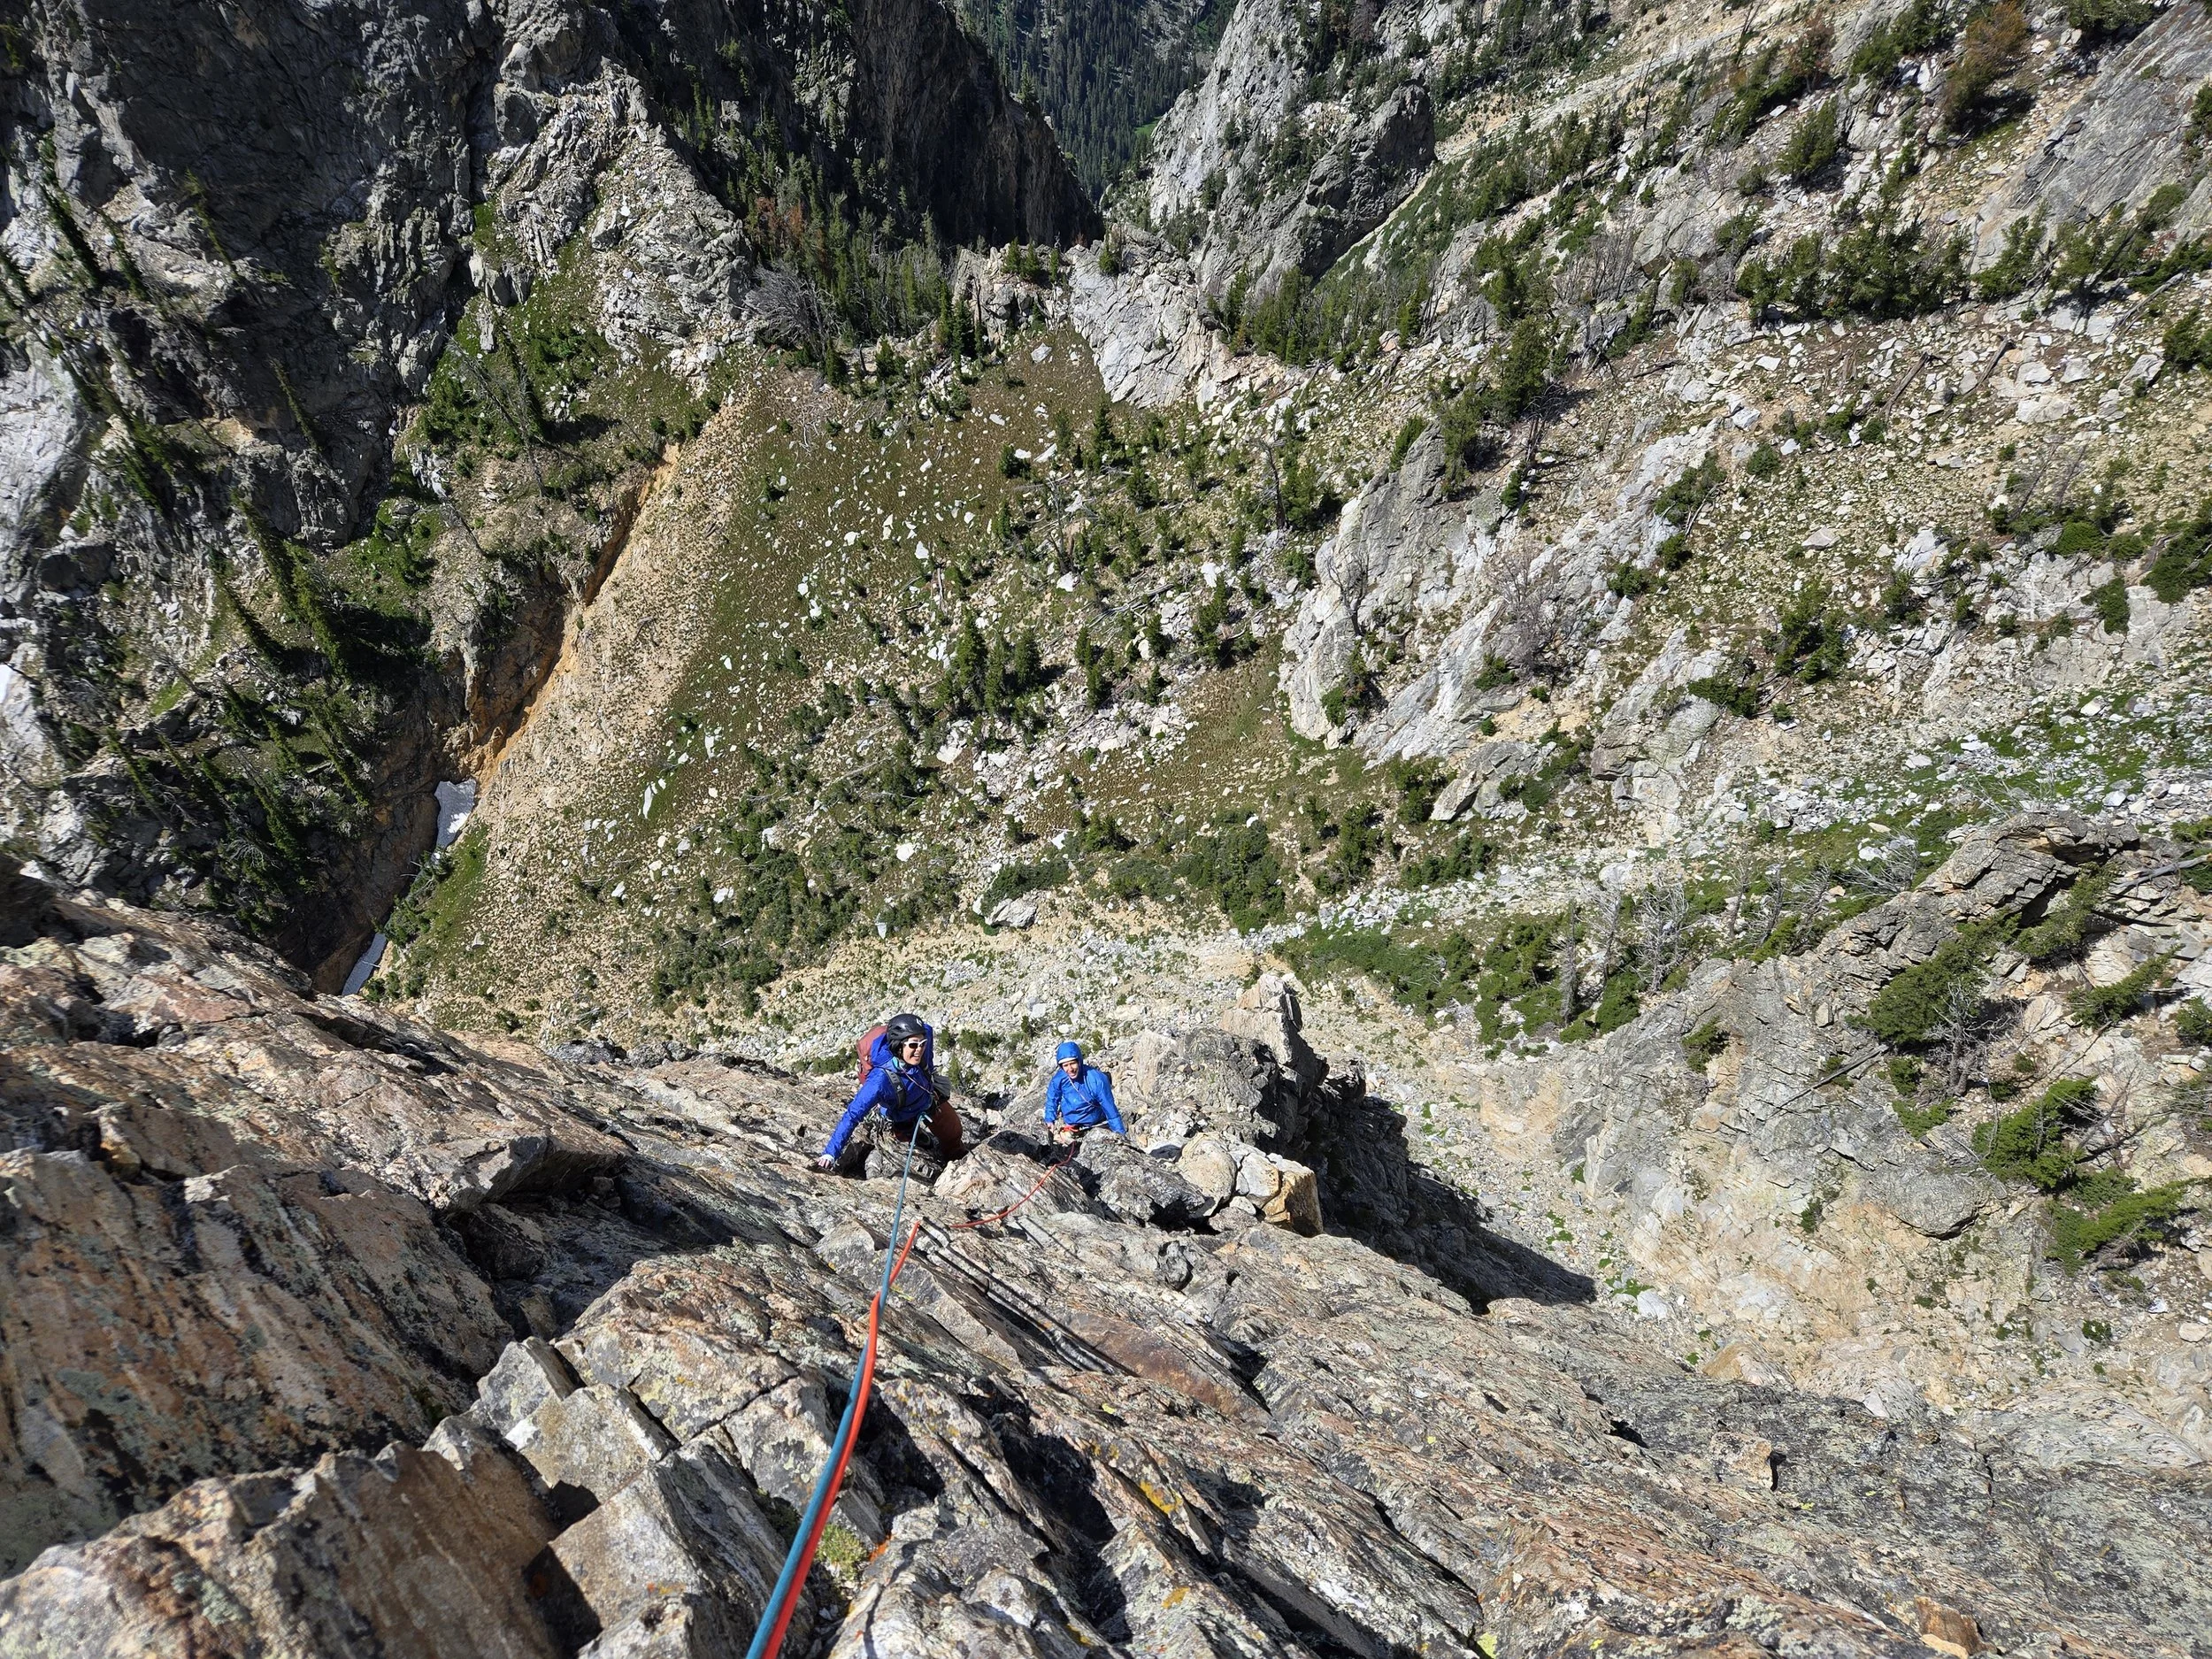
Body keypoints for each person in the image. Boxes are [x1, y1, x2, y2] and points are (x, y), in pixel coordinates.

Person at [815, 1012, 964, 1173]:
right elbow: (852, 1115)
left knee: (954, 1132)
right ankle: (909, 1130)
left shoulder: (923, 1037)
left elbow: (926, 1031)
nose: (919, 1049)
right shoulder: (879, 1081)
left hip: (928, 1098)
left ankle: (955, 1156)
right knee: (908, 1132)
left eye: (923, 1044)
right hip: (902, 1112)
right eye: (913, 1045)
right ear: (898, 1046)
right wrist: (830, 1153)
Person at [1043, 1040, 1124, 1140]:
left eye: (1073, 1063)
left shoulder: (1097, 1079)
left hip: (1098, 1124)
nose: (1070, 1069)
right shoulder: (1059, 1079)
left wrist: (1120, 1135)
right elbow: (1052, 1099)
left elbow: (1110, 1109)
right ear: (1061, 1067)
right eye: (1065, 1065)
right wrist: (1049, 1119)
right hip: (1072, 1126)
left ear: (1079, 1061)